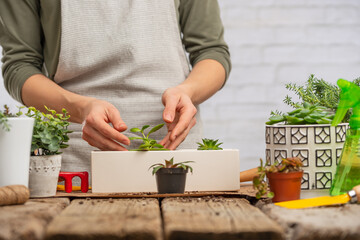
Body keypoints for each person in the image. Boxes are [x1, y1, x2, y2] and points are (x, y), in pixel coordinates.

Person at [0, 0, 231, 176]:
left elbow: (212, 52)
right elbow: (20, 66)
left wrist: (188, 91)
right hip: (78, 164)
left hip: (175, 153)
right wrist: (81, 108)